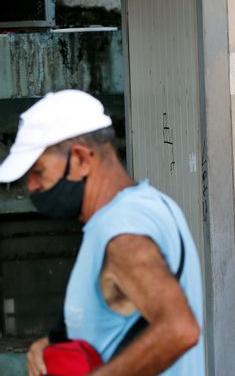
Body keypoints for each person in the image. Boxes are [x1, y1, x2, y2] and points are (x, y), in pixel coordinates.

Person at [0, 90, 203, 376]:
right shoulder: (151, 205)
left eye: (38, 171)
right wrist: (49, 343)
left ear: (82, 159)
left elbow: (179, 329)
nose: (30, 186)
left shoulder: (121, 230)